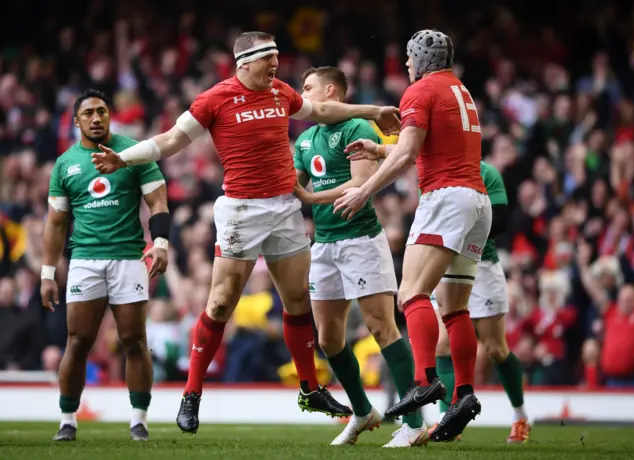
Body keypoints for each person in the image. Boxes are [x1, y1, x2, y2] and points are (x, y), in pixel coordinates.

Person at [91, 31, 401, 434]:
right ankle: (192, 393)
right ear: (244, 63)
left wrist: (376, 110)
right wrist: (124, 158)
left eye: (276, 57)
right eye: (267, 59)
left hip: (285, 208)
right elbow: (170, 140)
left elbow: (323, 111)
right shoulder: (214, 98)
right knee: (220, 303)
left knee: (296, 302)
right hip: (241, 210)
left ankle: (309, 388)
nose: (275, 65)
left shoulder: (281, 92)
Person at [335, 29, 491, 441]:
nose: (406, 66)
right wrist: (378, 150)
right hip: (477, 202)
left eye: (408, 58)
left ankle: (423, 382)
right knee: (455, 309)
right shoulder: (461, 90)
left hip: (445, 198)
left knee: (411, 295)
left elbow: (408, 153)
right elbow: (424, 145)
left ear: (420, 60)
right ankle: (464, 393)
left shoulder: (420, 91)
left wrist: (364, 190)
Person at [293, 66, 427, 448]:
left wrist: (309, 199)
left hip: (360, 239)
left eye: (308, 88)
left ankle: (414, 422)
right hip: (323, 245)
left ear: (331, 91)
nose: (303, 96)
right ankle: (363, 410)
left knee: (381, 327)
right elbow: (294, 185)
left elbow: (359, 183)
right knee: (329, 337)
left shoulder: (358, 128)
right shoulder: (305, 141)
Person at [42, 89, 170, 442]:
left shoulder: (133, 151)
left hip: (129, 258)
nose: (96, 118)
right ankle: (68, 420)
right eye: (88, 114)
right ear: (76, 121)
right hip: (84, 259)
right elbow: (55, 224)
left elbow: (158, 200)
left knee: (134, 340)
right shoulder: (65, 164)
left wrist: (160, 242)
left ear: (110, 115)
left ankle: (139, 420)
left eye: (102, 111)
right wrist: (47, 274)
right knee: (78, 341)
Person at [430, 161, 530, 443]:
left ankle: (520, 415)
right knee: (442, 345)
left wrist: (458, 228)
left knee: (496, 349)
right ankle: (445, 420)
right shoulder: (435, 168)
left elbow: (499, 220)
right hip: (446, 264)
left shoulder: (486, 173)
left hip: (481, 264)